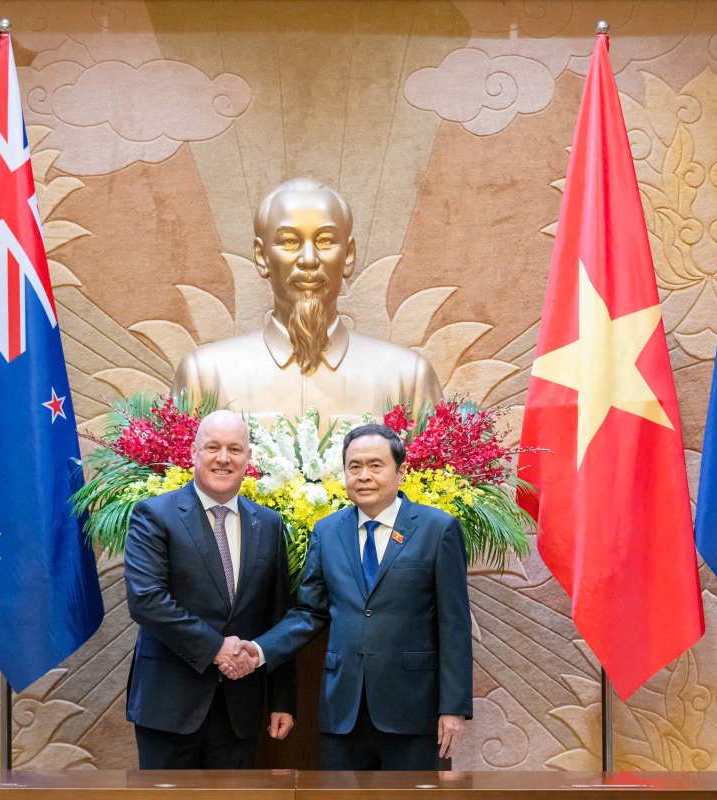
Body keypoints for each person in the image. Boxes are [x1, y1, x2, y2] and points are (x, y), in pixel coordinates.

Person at [224, 423, 472, 770]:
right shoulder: (327, 532)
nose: (364, 476)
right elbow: (309, 611)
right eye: (354, 466)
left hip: (414, 711)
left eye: (375, 465)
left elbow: (455, 625)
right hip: (343, 711)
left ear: (400, 472)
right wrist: (261, 650)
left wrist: (453, 708)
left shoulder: (437, 529)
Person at [173, 178, 443, 427]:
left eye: (325, 241)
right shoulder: (206, 376)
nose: (309, 259)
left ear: (348, 255)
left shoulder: (408, 379)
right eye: (289, 242)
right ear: (261, 256)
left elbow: (439, 474)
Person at [123, 410, 295, 768]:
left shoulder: (268, 524)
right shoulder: (154, 515)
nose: (223, 458)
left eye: (235, 449)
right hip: (169, 705)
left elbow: (277, 615)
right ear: (193, 452)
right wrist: (216, 647)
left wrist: (282, 700)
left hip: (240, 709)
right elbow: (147, 600)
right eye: (213, 447)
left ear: (249, 458)